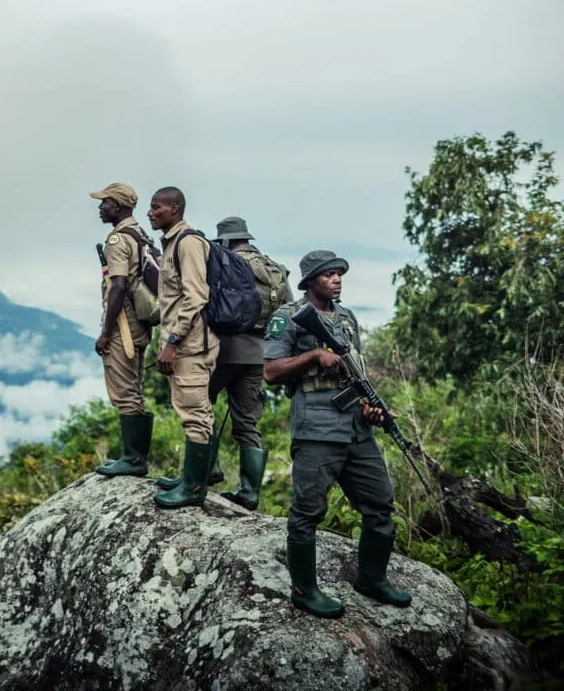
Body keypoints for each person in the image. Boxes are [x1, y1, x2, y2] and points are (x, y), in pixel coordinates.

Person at [263, 249, 412, 618]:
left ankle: (372, 579)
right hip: (317, 429)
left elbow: (355, 372)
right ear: (310, 281)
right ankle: (304, 590)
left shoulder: (347, 318)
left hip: (356, 429)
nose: (336, 278)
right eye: (327, 274)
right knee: (308, 512)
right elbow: (271, 370)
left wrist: (371, 408)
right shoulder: (289, 318)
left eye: (339, 273)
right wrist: (314, 357)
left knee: (380, 504)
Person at [155, 216, 294, 510]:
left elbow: (206, 302)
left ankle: (203, 473)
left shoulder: (223, 262)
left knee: (200, 405)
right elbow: (288, 313)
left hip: (225, 350)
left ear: (226, 241)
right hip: (260, 355)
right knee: (247, 421)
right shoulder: (275, 269)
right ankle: (249, 493)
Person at [146, 187, 220, 508]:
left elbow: (195, 296)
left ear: (174, 209)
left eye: (156, 207)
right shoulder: (173, 243)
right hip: (186, 342)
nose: (150, 213)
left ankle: (192, 489)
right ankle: (191, 478)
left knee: (195, 413)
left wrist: (173, 342)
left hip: (191, 344)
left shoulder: (187, 243)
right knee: (192, 409)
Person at [90, 182, 156, 477]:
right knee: (135, 387)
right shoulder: (141, 234)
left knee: (124, 390)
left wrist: (106, 332)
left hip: (123, 325)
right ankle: (135, 457)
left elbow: (117, 285)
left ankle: (132, 459)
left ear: (117, 206)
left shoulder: (117, 240)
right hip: (141, 324)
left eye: (104, 202)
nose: (100, 207)